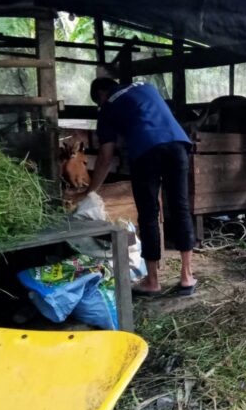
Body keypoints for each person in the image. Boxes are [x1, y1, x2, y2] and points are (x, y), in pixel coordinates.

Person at [82, 76, 197, 296]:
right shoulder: (145, 86)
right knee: (180, 207)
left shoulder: (107, 106)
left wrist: (91, 191)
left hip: (145, 151)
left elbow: (106, 157)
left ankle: (152, 281)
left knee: (148, 214)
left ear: (101, 95)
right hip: (177, 145)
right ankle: (186, 277)